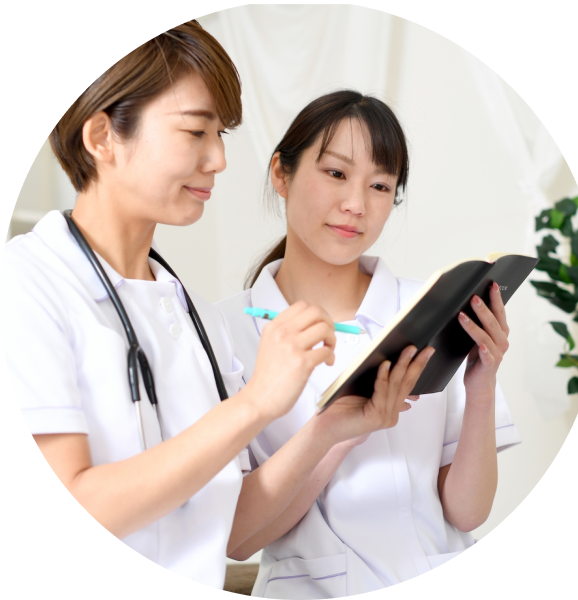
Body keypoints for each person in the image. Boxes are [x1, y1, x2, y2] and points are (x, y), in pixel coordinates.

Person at [0, 25, 434, 589]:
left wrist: (329, 429)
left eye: (221, 134)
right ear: (103, 137)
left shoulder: (199, 320)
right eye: (196, 131)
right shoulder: (29, 280)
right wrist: (255, 403)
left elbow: (235, 529)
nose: (220, 159)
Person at [216, 90, 522, 596]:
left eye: (380, 185)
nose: (355, 205)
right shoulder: (222, 330)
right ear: (281, 174)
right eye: (336, 173)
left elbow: (468, 512)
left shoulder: (431, 309)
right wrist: (339, 433)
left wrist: (482, 383)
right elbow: (238, 539)